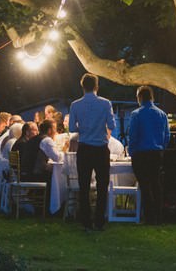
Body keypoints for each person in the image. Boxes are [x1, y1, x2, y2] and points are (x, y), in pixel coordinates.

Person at [68, 73, 116, 231]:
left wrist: (84, 127)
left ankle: (86, 220)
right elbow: (112, 125)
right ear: (96, 86)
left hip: (85, 148)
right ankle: (99, 220)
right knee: (102, 186)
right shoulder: (105, 103)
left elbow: (72, 128)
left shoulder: (75, 105)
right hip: (101, 148)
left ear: (82, 86)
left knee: (84, 185)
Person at [127, 85, 170, 225]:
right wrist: (161, 148)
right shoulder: (162, 114)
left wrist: (131, 152)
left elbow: (133, 135)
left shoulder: (136, 114)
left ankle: (149, 217)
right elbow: (167, 136)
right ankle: (159, 215)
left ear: (139, 97)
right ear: (151, 97)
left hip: (141, 153)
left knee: (145, 185)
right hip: (156, 153)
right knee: (156, 184)